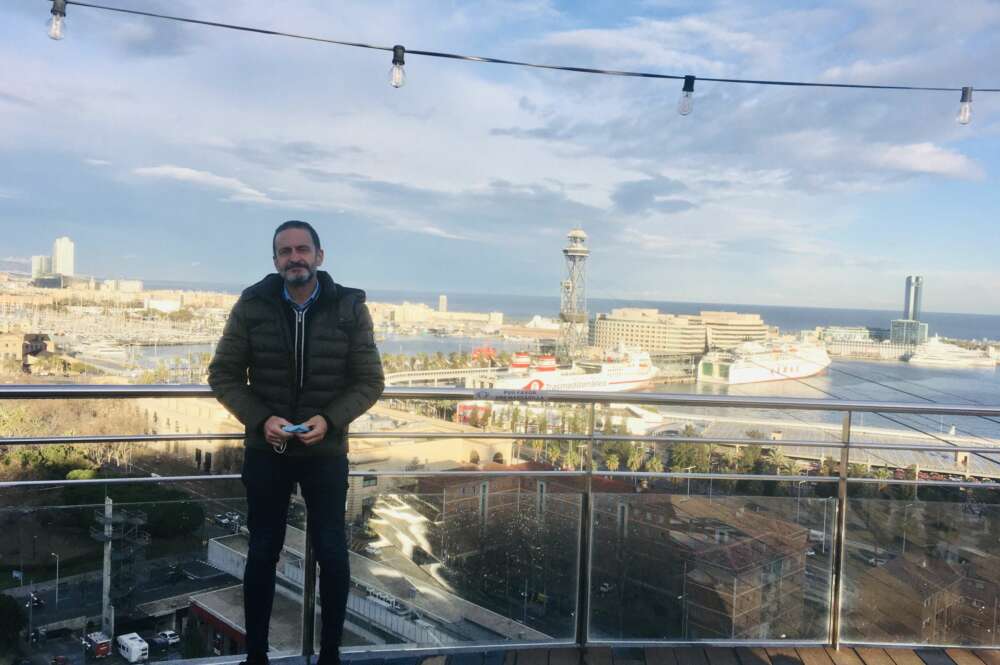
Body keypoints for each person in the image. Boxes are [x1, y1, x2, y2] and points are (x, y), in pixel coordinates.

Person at [209, 220, 384, 665]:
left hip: (326, 452)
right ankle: (257, 655)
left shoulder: (348, 306)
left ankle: (330, 654)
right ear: (275, 261)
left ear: (319, 256)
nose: (294, 258)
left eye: (302, 249)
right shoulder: (253, 304)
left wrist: (330, 420)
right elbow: (223, 375)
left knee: (332, 552)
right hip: (267, 449)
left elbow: (370, 381)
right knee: (262, 551)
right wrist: (261, 418)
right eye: (285, 251)